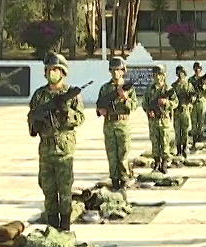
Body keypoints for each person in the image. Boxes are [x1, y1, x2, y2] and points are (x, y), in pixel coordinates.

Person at [28, 53, 85, 230]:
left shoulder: (70, 95)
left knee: (65, 191)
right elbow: (31, 118)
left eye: (55, 69)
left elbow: (80, 118)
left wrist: (65, 112)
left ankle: (65, 227)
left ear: (62, 72)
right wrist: (37, 123)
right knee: (48, 190)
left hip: (64, 150)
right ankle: (52, 228)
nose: (51, 72)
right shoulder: (39, 95)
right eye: (48, 69)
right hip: (45, 150)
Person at [96, 56, 138, 191]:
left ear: (123, 71)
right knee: (111, 154)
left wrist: (125, 98)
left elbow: (134, 106)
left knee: (123, 154)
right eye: (113, 70)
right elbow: (99, 105)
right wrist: (100, 111)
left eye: (118, 70)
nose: (116, 73)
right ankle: (114, 179)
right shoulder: (105, 89)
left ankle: (125, 179)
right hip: (109, 124)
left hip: (122, 124)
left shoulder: (128, 89)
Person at [142, 65, 178, 173]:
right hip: (153, 120)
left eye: (160, 75)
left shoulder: (168, 89)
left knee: (165, 141)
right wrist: (148, 111)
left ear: (164, 76)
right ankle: (157, 162)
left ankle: (165, 163)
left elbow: (176, 102)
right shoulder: (150, 89)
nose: (158, 77)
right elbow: (144, 103)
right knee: (155, 141)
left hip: (164, 119)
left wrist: (167, 103)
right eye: (155, 75)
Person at [172, 65, 194, 158]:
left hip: (185, 109)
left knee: (185, 130)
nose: (180, 75)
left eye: (182, 73)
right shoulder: (173, 86)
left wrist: (192, 98)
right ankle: (178, 150)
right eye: (179, 73)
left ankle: (184, 148)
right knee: (177, 131)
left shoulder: (188, 85)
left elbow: (193, 97)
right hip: (177, 111)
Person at [189, 62, 206, 147]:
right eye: (196, 68)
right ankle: (194, 137)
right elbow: (189, 90)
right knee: (194, 120)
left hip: (201, 101)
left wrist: (203, 85)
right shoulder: (191, 80)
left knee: (201, 120)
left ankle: (200, 136)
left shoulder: (203, 80)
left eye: (199, 68)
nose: (197, 70)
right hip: (193, 102)